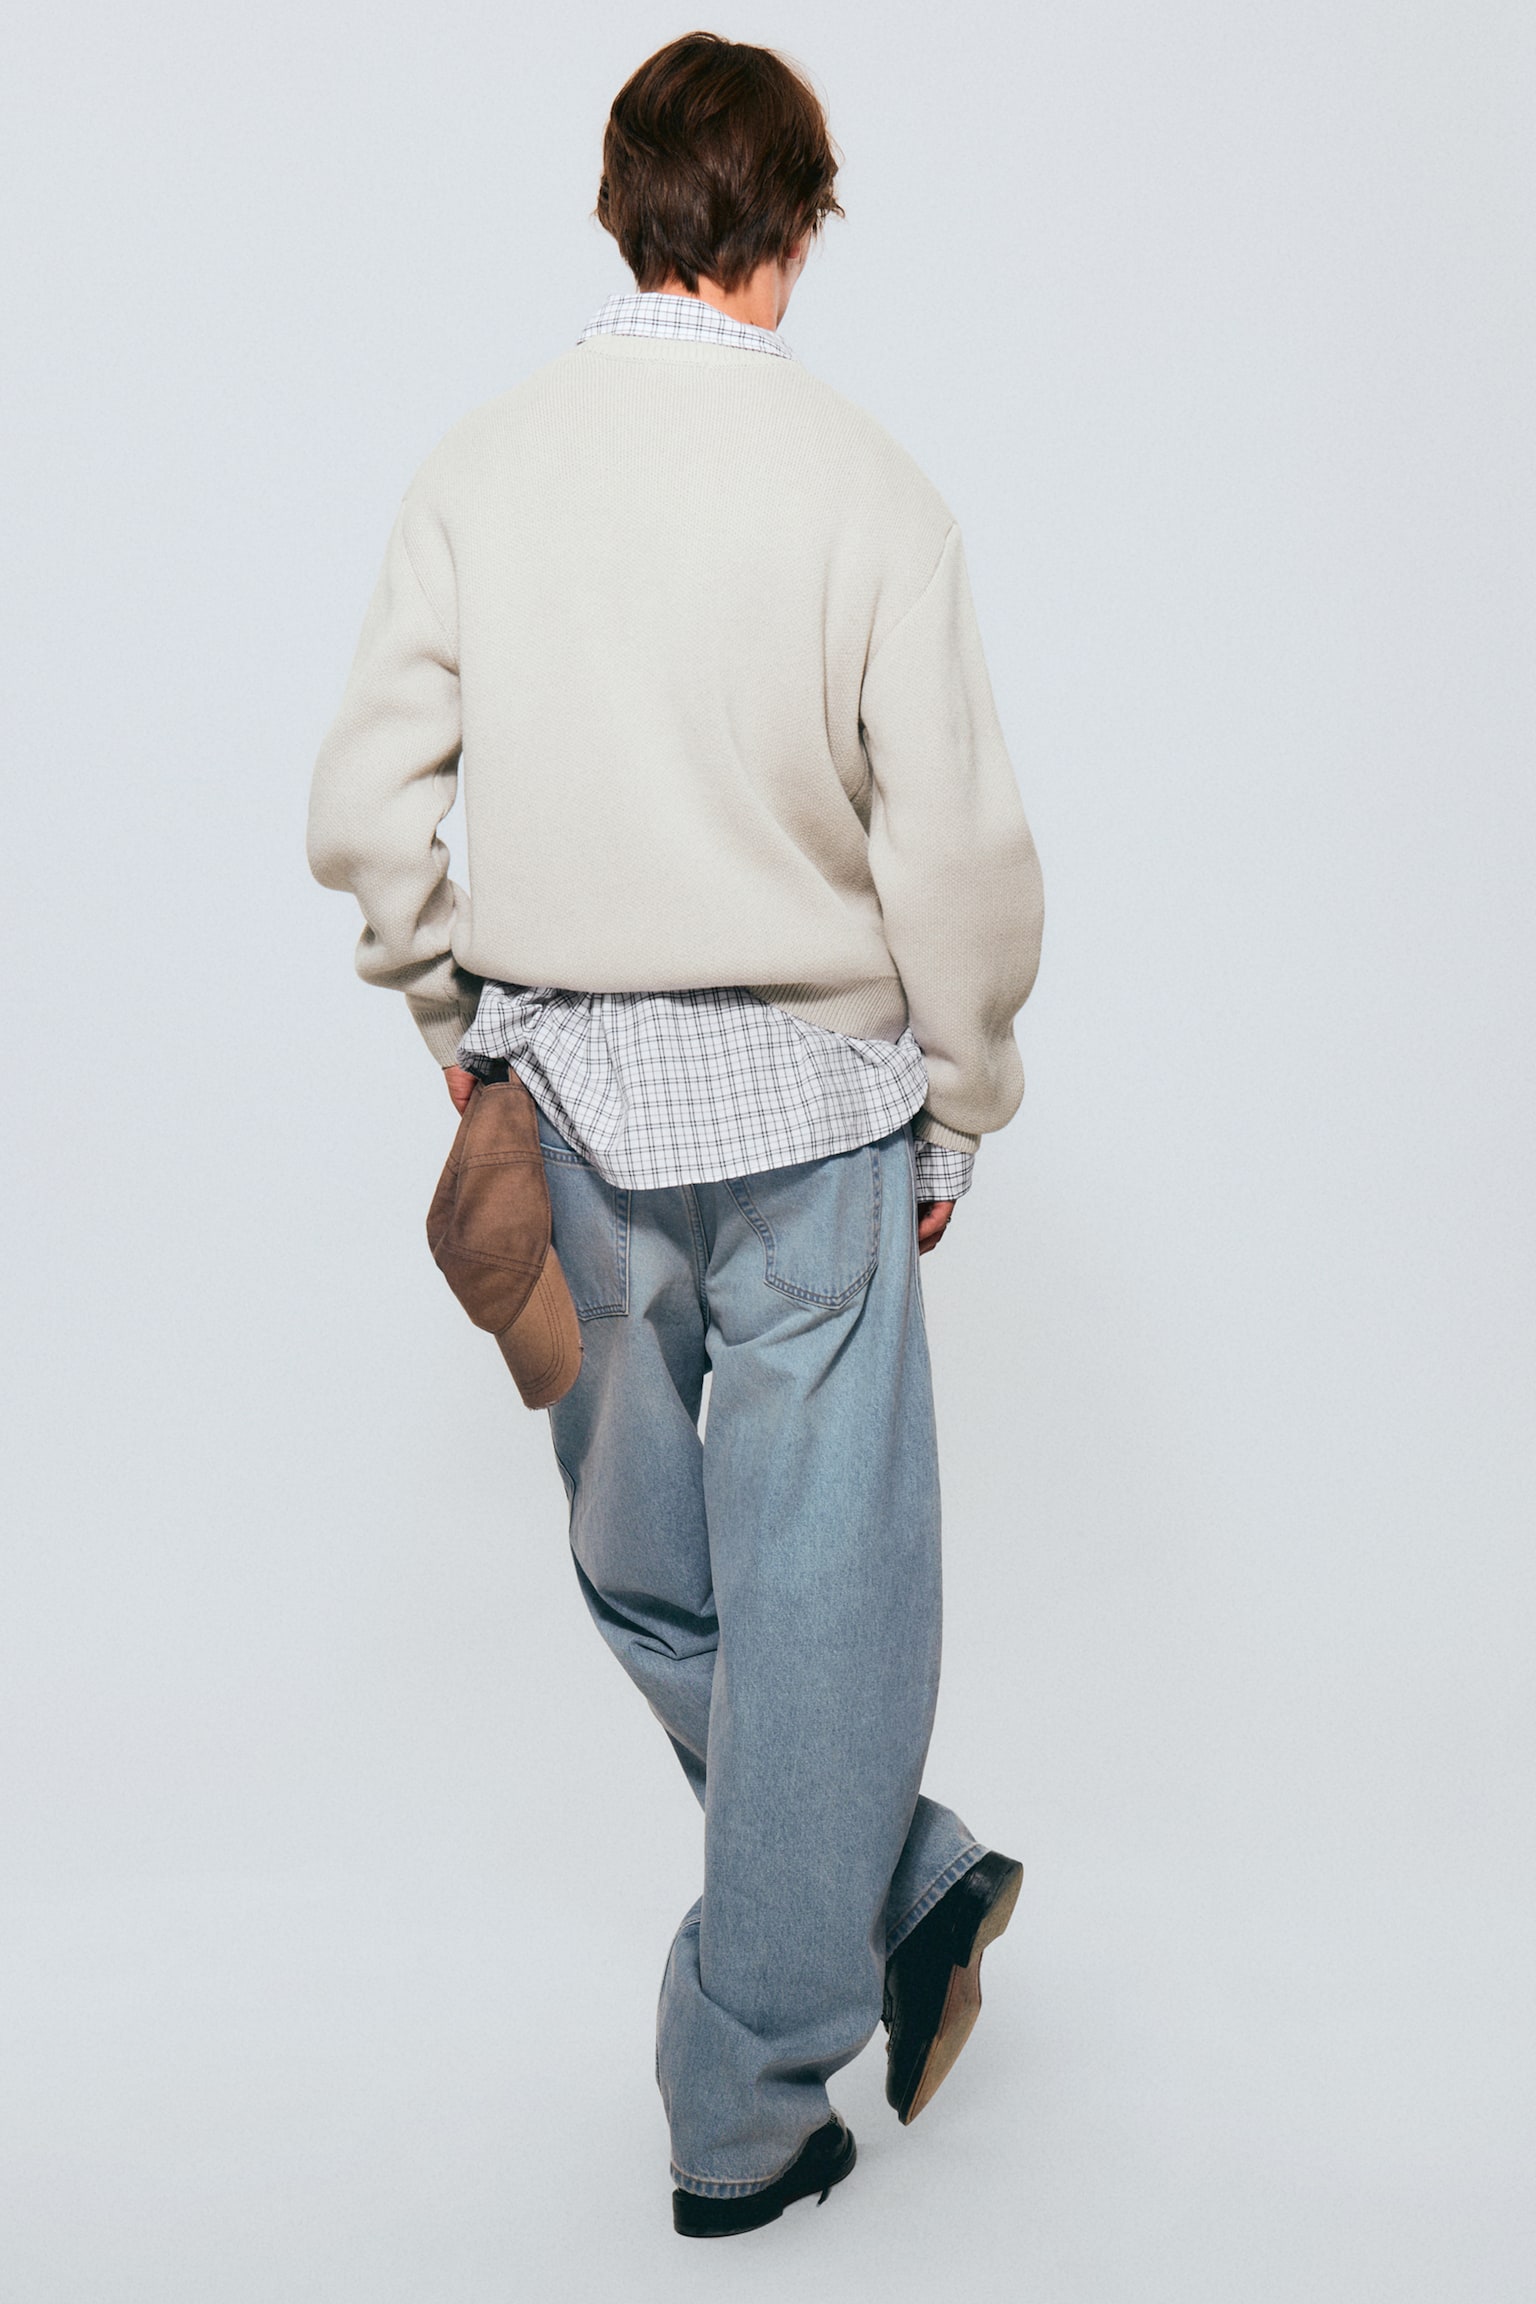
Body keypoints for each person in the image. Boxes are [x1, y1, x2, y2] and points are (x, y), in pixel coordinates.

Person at [307, 30, 1044, 2239]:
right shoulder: (872, 496)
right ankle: (782, 2045)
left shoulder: (480, 471)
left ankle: (800, 1987)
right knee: (824, 1611)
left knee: (648, 1569)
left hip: (574, 1120)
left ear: (617, 208)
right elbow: (958, 859)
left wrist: (456, 1020)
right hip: (817, 1121)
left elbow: (364, 812)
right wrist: (963, 1102)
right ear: (796, 232)